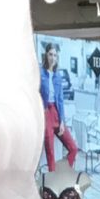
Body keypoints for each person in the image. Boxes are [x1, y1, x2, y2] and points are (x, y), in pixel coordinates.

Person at [40, 40, 79, 175]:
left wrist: (62, 120)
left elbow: (60, 99)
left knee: (73, 148)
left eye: (55, 55)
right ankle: (53, 179)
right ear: (46, 55)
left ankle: (62, 173)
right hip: (46, 113)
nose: (53, 58)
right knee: (50, 152)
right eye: (50, 54)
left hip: (56, 113)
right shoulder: (40, 74)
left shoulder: (57, 75)